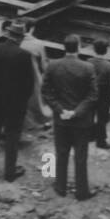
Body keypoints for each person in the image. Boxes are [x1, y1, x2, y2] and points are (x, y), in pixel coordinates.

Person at [42, 35, 97, 201]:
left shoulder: (53, 65)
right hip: (81, 121)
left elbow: (46, 91)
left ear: (64, 47)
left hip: (61, 119)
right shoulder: (88, 67)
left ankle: (60, 187)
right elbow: (93, 95)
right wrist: (76, 111)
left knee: (61, 152)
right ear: (78, 47)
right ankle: (82, 192)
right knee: (81, 156)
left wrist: (60, 110)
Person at [0, 21, 35, 181]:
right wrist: (22, 102)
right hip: (14, 104)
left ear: (8, 34)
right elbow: (28, 84)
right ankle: (10, 172)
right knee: (12, 136)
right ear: (21, 38)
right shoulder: (24, 55)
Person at [19, 18, 49, 132]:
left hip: (15, 73)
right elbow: (43, 64)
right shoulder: (38, 44)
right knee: (35, 99)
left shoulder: (16, 41)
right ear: (32, 28)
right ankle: (35, 122)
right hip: (33, 74)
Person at [90, 40, 110, 149]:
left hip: (91, 92)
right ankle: (100, 141)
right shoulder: (109, 66)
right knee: (102, 118)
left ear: (94, 49)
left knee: (90, 115)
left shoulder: (88, 62)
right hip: (104, 94)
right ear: (106, 51)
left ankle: (90, 136)